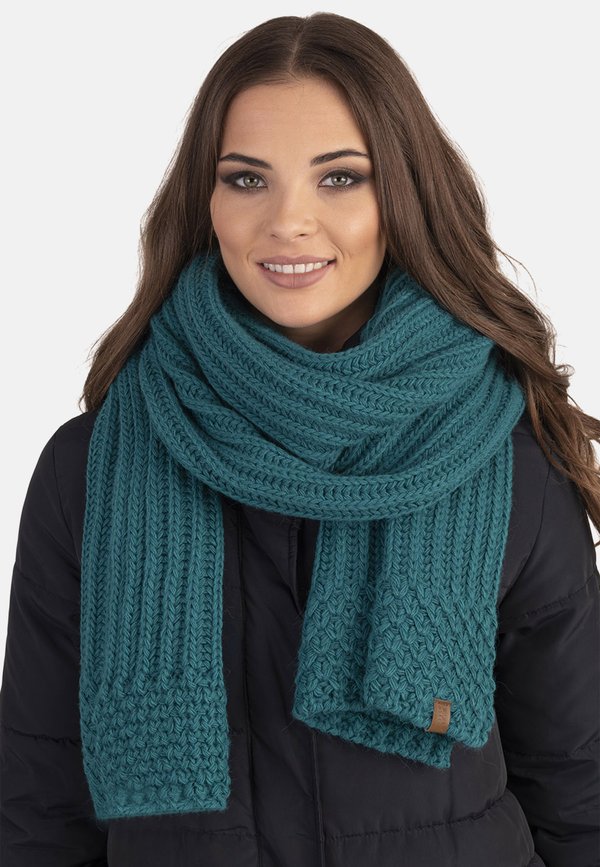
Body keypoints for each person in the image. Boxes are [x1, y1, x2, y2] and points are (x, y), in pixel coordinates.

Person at [1, 12, 598, 867]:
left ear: (403, 195)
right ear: (206, 203)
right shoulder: (90, 468)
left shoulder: (505, 458)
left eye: (340, 178)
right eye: (247, 179)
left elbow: (579, 789)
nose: (288, 220)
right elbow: (39, 806)